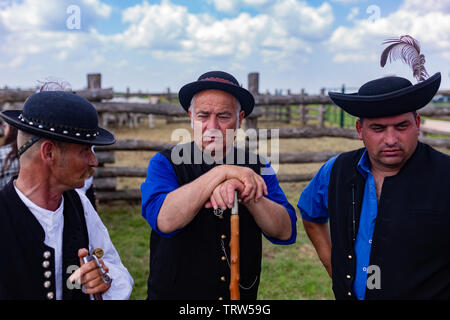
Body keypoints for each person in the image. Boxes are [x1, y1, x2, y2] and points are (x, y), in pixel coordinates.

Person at [297, 60, 450, 299]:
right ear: (360, 130)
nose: (391, 139)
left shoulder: (445, 175)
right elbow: (311, 216)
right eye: (378, 128)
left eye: (401, 126)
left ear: (417, 124)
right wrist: (337, 270)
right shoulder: (336, 170)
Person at [141, 71, 297, 300]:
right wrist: (222, 171)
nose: (212, 126)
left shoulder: (257, 165)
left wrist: (246, 192)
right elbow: (165, 220)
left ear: (240, 118)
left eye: (223, 116)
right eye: (203, 116)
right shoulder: (165, 163)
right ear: (191, 116)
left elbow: (284, 230)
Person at [0, 90, 134, 300]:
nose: (94, 161)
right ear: (49, 153)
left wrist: (104, 280)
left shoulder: (80, 204)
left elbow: (113, 267)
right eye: (84, 151)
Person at [0, 121, 19, 188]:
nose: (4, 129)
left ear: (11, 130)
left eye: (6, 126)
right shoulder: (27, 153)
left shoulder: (1, 153)